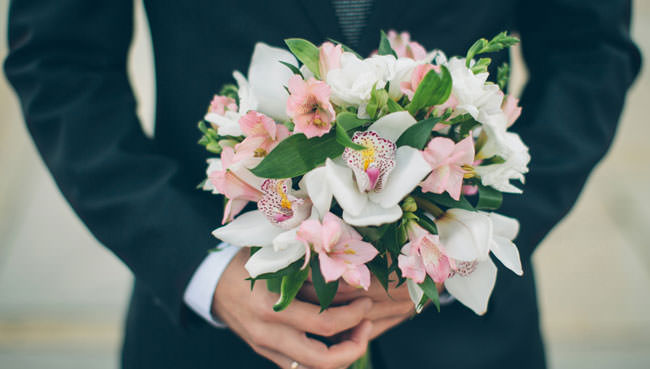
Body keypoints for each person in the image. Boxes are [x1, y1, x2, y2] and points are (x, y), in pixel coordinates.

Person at [4, 1, 640, 368]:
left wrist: (459, 249)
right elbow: (61, 62)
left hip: (465, 343)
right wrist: (197, 270)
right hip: (209, 337)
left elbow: (590, 54)